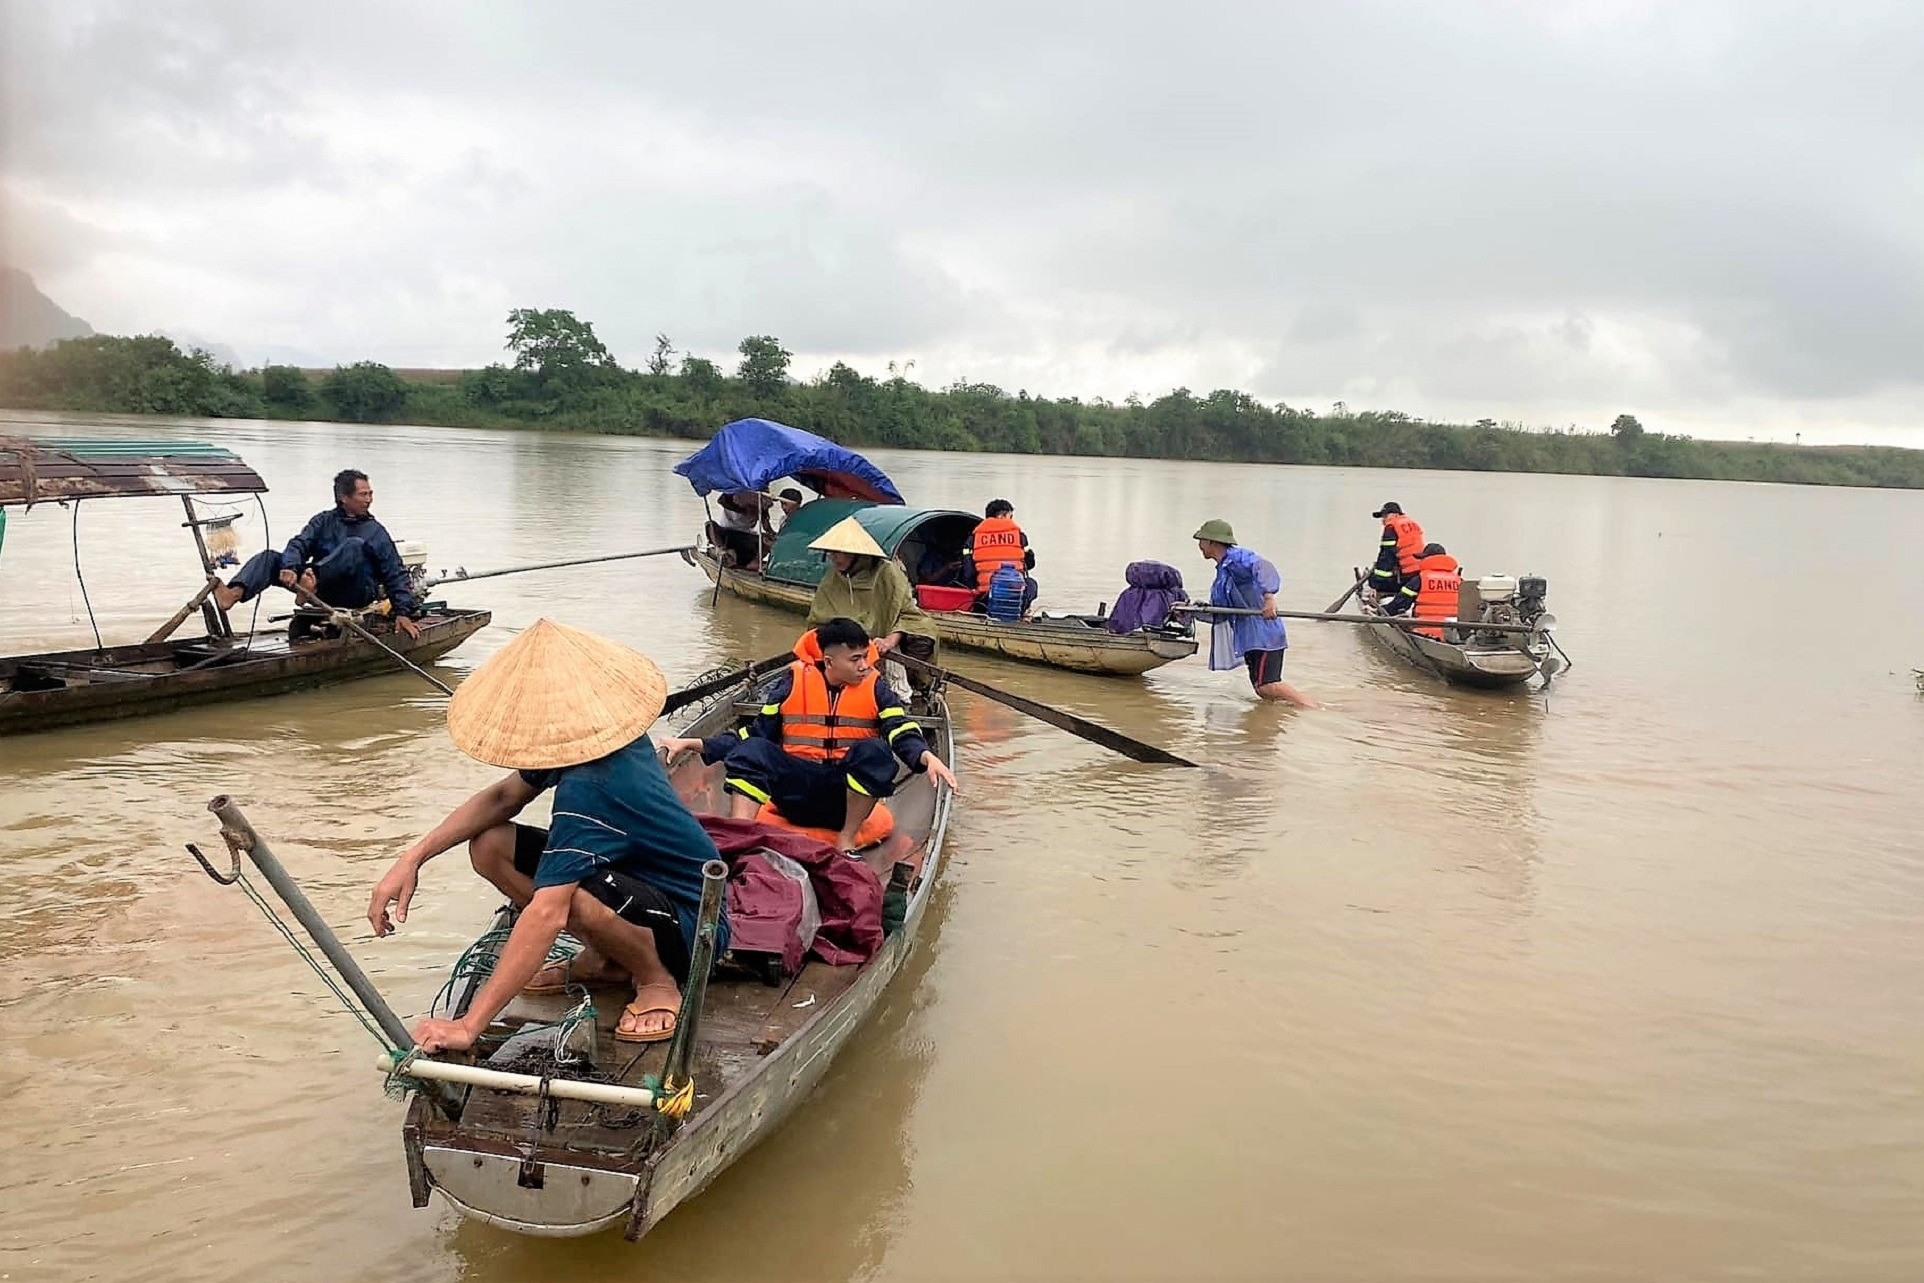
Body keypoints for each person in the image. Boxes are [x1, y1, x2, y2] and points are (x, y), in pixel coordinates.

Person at [365, 618, 726, 1050]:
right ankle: (609, 958)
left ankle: (656, 980)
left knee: (564, 895)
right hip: (633, 887)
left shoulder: (592, 787)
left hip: (691, 924)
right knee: (490, 843)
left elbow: (547, 912)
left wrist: (469, 1025)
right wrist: (413, 857)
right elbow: (502, 798)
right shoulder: (592, 740)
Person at [660, 618, 958, 853]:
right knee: (753, 750)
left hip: (842, 798)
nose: (864, 665)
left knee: (875, 752)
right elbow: (753, 733)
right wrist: (693, 743)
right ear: (829, 662)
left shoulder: (875, 687)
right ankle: (740, 840)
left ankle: (846, 840)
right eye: (855, 659)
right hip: (795, 791)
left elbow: (900, 727)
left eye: (864, 657)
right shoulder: (792, 682)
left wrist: (924, 754)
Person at [212, 468, 422, 639]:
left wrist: (403, 613)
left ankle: (311, 580)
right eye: (363, 494)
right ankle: (232, 595)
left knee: (354, 546)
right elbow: (299, 544)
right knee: (269, 557)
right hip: (317, 589)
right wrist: (290, 567)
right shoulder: (323, 521)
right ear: (344, 498)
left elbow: (395, 573)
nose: (369, 499)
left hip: (355, 593)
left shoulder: (376, 531)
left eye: (370, 494)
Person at [1193, 518, 1319, 708]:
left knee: (1267, 685)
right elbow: (1222, 614)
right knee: (1262, 690)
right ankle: (1285, 716)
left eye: (1201, 541)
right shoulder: (1222, 574)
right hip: (1249, 638)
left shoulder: (1236, 558)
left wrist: (1269, 597)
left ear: (1212, 541)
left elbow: (1263, 566)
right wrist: (1193, 612)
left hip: (1265, 634)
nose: (1199, 546)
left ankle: (1313, 707)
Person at [806, 515, 940, 686]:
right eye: (830, 552)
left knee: (925, 630)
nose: (833, 557)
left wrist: (889, 641)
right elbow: (817, 621)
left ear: (856, 553)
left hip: (885, 638)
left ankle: (912, 685)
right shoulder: (832, 577)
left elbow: (908, 614)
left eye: (838, 552)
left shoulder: (886, 573)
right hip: (845, 643)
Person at [960, 499, 1038, 618]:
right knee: (1031, 584)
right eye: (1010, 517)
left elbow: (968, 572)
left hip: (985, 598)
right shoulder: (1019, 536)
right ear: (1001, 516)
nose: (1011, 521)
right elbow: (1030, 564)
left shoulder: (973, 538)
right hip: (1015, 596)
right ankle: (1020, 613)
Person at [1384, 542, 1463, 639]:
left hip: (1424, 631)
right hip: (1454, 633)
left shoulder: (1420, 579)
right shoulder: (1458, 580)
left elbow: (1400, 603)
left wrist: (1382, 611)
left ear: (1428, 559)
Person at [1367, 501, 1426, 601]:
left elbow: (1386, 557)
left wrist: (1375, 582)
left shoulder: (1391, 527)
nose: (1383, 520)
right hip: (1420, 572)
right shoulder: (1412, 524)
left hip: (1405, 575)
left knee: (1376, 581)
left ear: (1394, 514)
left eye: (1385, 516)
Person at [708, 491, 766, 569]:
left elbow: (767, 527)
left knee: (766, 540)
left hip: (747, 538)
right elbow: (721, 500)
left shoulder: (760, 508)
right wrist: (720, 548)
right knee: (710, 525)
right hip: (728, 535)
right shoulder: (732, 503)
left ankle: (755, 561)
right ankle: (720, 550)